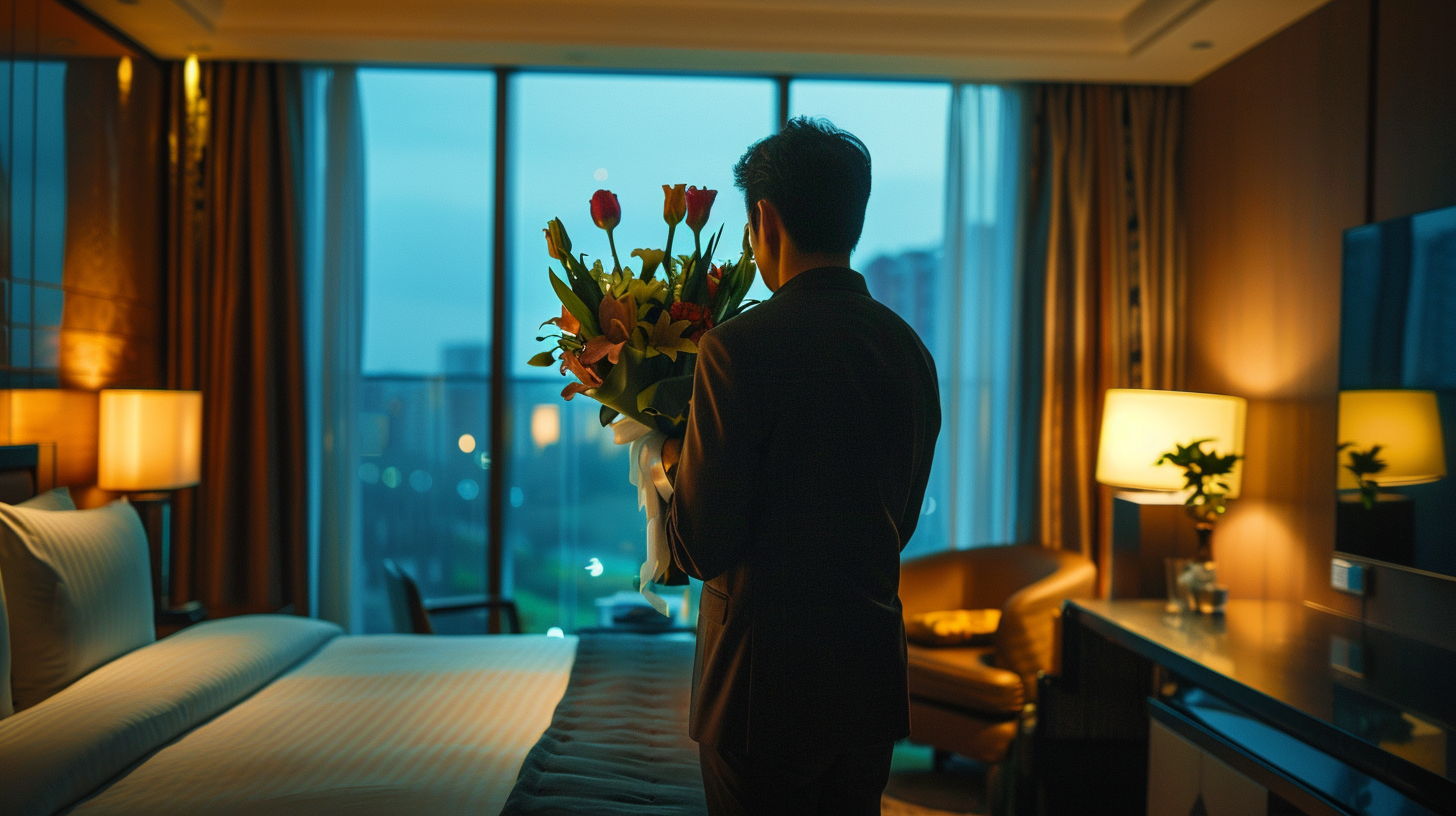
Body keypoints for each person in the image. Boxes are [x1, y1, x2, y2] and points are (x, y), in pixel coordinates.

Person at [662, 118, 942, 816]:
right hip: (868, 680)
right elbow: (897, 523)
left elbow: (702, 545)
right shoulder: (909, 351)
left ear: (764, 218)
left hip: (762, 687)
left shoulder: (737, 348)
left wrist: (674, 460)